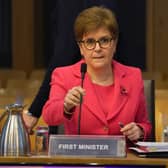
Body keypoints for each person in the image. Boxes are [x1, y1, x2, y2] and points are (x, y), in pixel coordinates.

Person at [42, 6, 151, 141]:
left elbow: (145, 124)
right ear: (81, 48)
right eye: (90, 42)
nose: (97, 48)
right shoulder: (64, 75)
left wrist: (139, 131)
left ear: (115, 44)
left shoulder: (133, 76)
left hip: (123, 159)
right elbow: (49, 116)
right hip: (81, 159)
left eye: (104, 40)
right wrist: (66, 105)